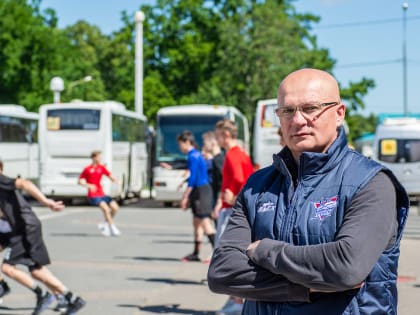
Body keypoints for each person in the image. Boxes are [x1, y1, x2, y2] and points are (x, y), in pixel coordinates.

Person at [207, 68, 409, 315]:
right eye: (288, 111)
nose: (298, 120)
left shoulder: (371, 182)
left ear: (339, 113)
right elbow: (222, 273)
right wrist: (306, 288)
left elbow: (346, 267)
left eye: (310, 108)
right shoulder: (257, 185)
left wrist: (264, 251)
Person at [0, 161, 86, 314]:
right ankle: (72, 298)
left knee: (7, 268)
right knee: (36, 270)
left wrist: (46, 202)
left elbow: (25, 183)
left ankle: (43, 295)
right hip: (24, 227)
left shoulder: (1, 179)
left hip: (25, 227)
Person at [213, 119, 254, 315]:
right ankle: (235, 299)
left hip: (231, 209)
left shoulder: (232, 155)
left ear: (226, 135)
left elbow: (238, 179)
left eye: (218, 135)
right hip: (237, 207)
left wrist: (232, 196)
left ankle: (236, 301)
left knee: (227, 253)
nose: (217, 139)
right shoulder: (243, 154)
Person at [176, 130, 216, 262]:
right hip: (201, 189)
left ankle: (217, 251)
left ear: (187, 142)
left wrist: (185, 196)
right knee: (196, 221)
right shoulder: (196, 154)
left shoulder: (193, 156)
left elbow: (193, 178)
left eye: (181, 144)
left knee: (205, 221)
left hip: (201, 191)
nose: (180, 147)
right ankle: (196, 252)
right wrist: (184, 182)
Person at [78, 150, 121, 237]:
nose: (100, 159)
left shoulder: (101, 168)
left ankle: (105, 224)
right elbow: (80, 181)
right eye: (98, 157)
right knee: (106, 209)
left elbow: (110, 176)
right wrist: (88, 185)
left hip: (101, 193)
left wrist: (116, 181)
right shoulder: (87, 169)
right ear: (93, 158)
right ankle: (112, 227)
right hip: (93, 195)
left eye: (100, 157)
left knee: (115, 207)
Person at [202, 131, 225, 212]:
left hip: (219, 200)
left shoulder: (218, 160)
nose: (204, 146)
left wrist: (219, 200)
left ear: (213, 142)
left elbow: (222, 181)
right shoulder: (217, 159)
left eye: (205, 143)